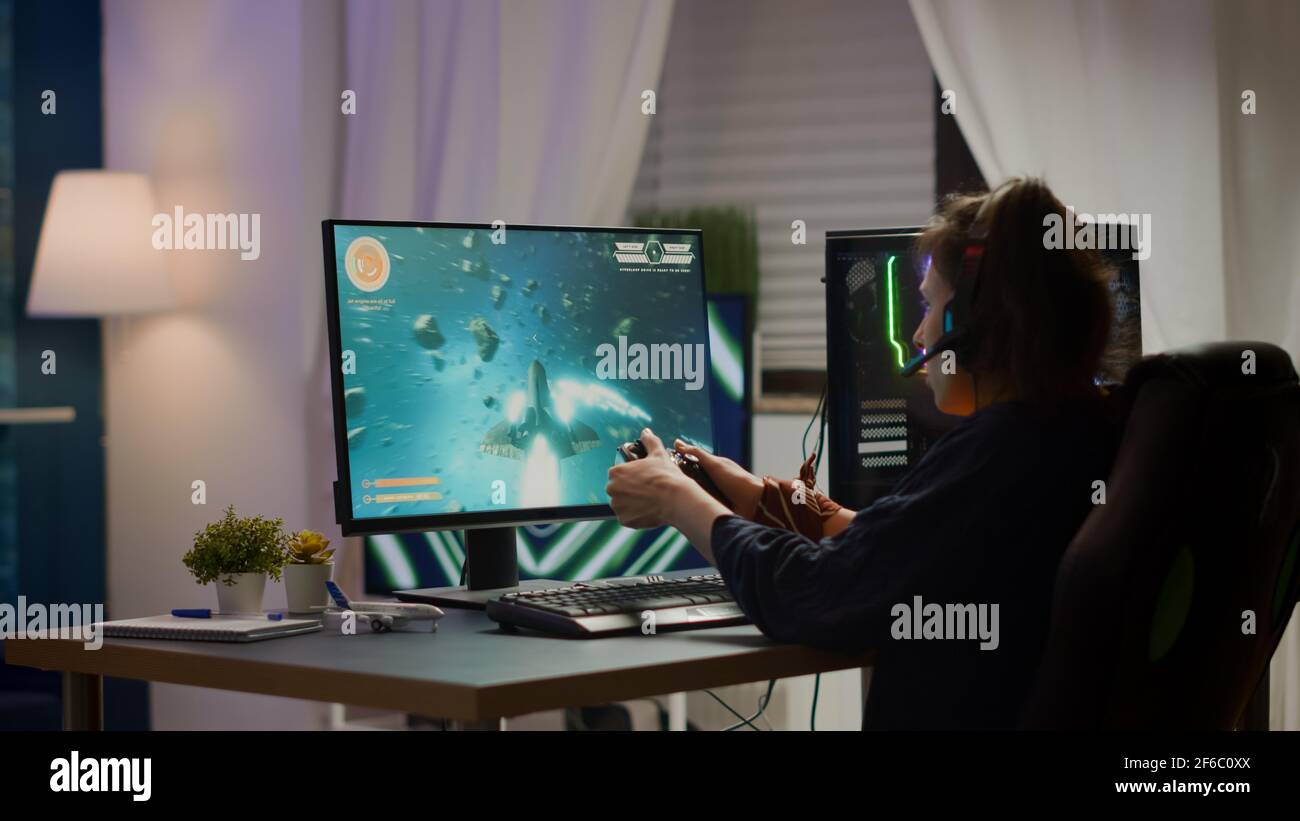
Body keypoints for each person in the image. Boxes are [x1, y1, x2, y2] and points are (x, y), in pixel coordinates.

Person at [605, 178, 1124, 730]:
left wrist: (675, 497)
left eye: (931, 304)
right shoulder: (1091, 432)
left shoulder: (999, 453)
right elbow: (907, 548)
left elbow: (812, 596)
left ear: (972, 324)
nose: (920, 331)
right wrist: (770, 501)